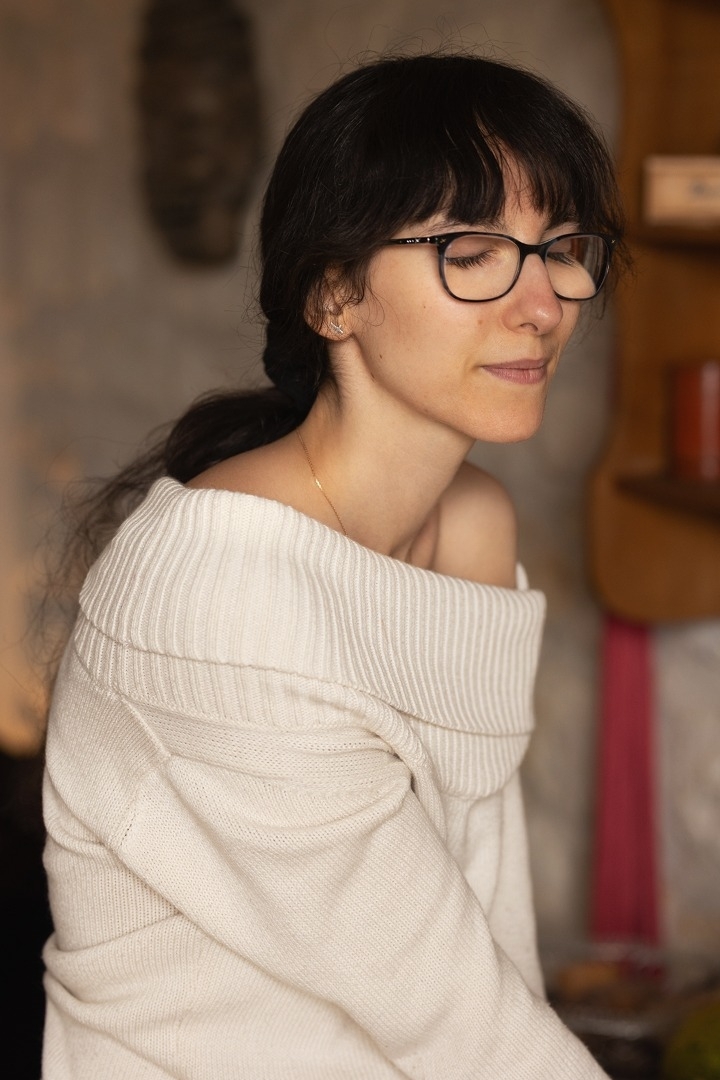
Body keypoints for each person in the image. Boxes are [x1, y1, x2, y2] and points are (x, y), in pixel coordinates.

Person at [41, 52, 624, 1079]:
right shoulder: (224, 591)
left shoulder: (473, 526)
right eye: (474, 253)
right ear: (333, 296)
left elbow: (490, 931)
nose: (543, 306)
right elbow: (457, 1020)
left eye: (562, 249)